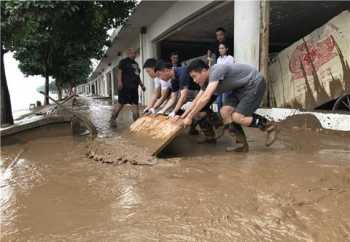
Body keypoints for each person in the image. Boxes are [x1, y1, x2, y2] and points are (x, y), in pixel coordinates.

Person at [181, 59, 277, 152]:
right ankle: (241, 144)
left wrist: (190, 117)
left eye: (194, 76)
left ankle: (270, 126)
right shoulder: (205, 83)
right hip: (237, 88)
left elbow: (206, 97)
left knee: (237, 117)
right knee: (225, 112)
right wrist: (183, 116)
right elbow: (197, 100)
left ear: (204, 71)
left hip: (253, 83)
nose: (194, 80)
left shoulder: (216, 71)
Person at [155, 60, 219, 142]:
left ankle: (214, 122)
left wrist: (177, 113)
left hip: (206, 91)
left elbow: (184, 97)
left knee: (198, 112)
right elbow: (173, 98)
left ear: (166, 70)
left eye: (159, 75)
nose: (160, 78)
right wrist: (163, 111)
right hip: (199, 92)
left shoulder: (182, 73)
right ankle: (197, 127)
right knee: (186, 109)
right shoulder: (173, 79)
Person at [110, 48, 145, 127]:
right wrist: (119, 82)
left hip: (134, 89)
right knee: (120, 104)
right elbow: (119, 72)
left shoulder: (136, 64)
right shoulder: (123, 62)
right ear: (128, 53)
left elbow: (137, 76)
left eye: (135, 53)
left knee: (135, 105)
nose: (135, 54)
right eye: (133, 53)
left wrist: (142, 85)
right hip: (125, 87)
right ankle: (112, 119)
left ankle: (136, 124)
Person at [216, 42, 236, 111]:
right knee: (218, 102)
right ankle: (220, 118)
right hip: (220, 83)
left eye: (222, 48)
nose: (220, 50)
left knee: (225, 101)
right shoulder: (218, 59)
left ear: (226, 49)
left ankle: (225, 118)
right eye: (219, 48)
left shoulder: (230, 58)